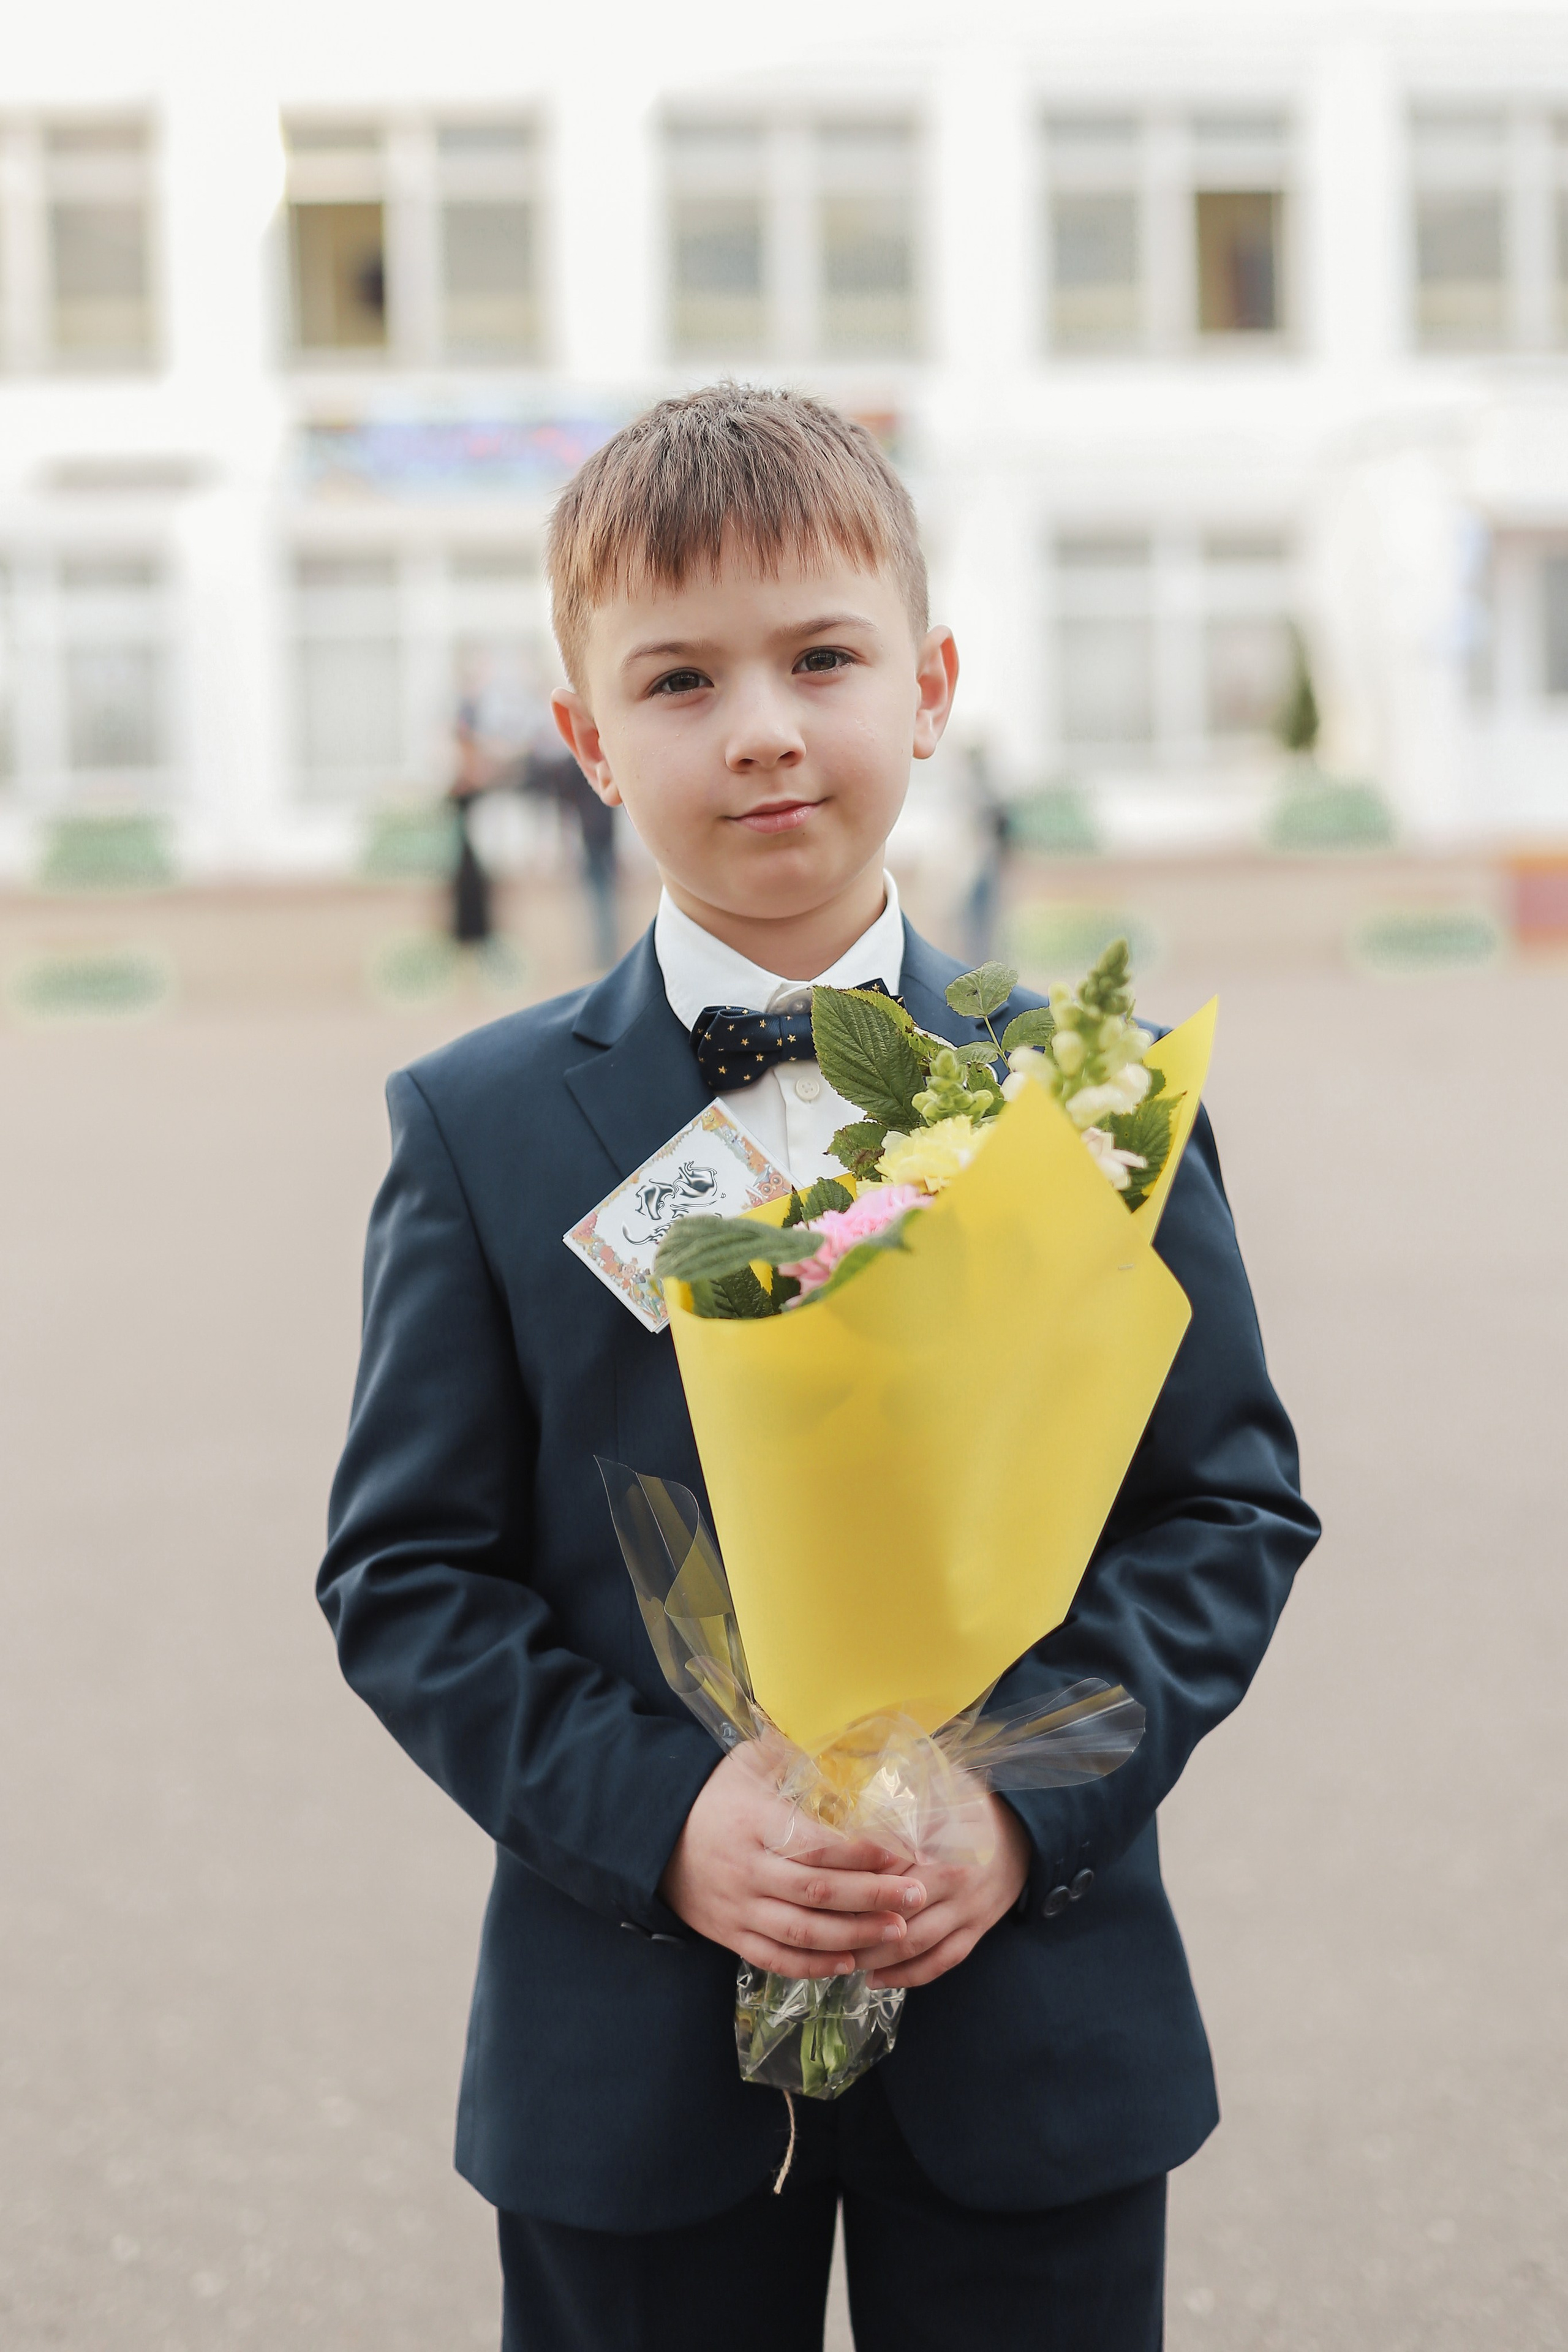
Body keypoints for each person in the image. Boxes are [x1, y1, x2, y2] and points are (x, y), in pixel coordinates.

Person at [318, 385, 1319, 2351]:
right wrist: (665, 1827)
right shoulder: (478, 1128)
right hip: (630, 2062)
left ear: (931, 686)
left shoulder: (1088, 1096)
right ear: (588, 743)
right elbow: (408, 1578)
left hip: (1035, 2027)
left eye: (823, 657)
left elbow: (1226, 1509)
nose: (763, 726)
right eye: (679, 681)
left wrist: (1023, 1806)